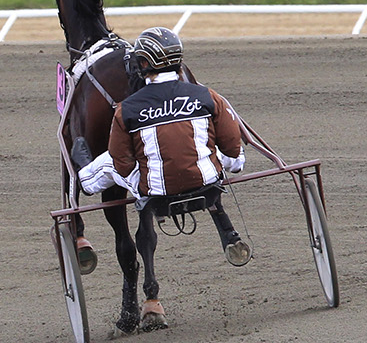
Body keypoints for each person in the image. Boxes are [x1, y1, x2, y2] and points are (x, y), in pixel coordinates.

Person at [72, 26, 250, 268]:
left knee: (102, 169)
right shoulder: (209, 96)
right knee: (217, 153)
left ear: (143, 64)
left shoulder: (126, 111)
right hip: (208, 183)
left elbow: (121, 165)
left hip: (155, 192)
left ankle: (84, 172)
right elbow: (234, 155)